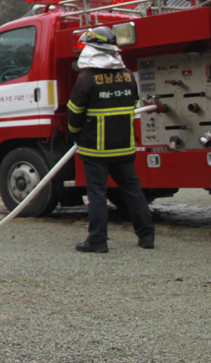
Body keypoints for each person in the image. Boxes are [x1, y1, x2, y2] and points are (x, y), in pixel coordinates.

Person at [68, 26, 155, 253]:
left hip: (96, 149)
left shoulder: (86, 78)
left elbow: (75, 113)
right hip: (124, 147)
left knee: (97, 193)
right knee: (133, 191)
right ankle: (147, 236)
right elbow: (132, 105)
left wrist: (74, 133)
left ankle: (97, 240)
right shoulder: (127, 76)